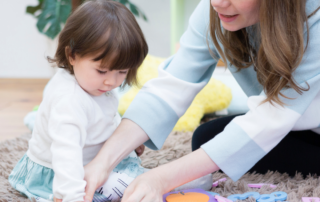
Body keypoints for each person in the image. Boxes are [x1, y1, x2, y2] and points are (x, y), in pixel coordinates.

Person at [82, 0, 320, 201]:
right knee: (206, 138)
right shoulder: (215, 11)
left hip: (297, 121)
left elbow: (270, 118)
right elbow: (170, 87)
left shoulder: (314, 18)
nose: (217, 3)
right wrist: (103, 161)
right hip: (295, 124)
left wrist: (160, 179)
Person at [8, 1, 148, 201]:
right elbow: (66, 155)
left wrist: (125, 141)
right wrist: (71, 195)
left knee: (143, 184)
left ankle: (36, 119)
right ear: (72, 55)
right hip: (63, 174)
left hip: (92, 161)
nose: (112, 81)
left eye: (122, 71)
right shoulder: (69, 100)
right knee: (135, 189)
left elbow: (106, 114)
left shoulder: (96, 83)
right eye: (102, 70)